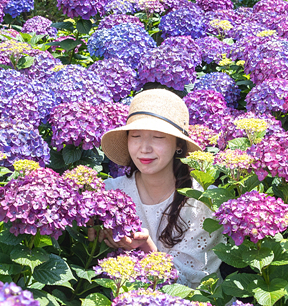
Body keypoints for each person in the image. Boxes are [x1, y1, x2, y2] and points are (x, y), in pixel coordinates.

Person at [93, 89, 222, 287]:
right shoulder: (109, 193)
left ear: (179, 144)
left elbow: (192, 286)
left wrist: (145, 246)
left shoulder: (204, 202)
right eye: (135, 136)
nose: (144, 148)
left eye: (158, 137)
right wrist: (91, 232)